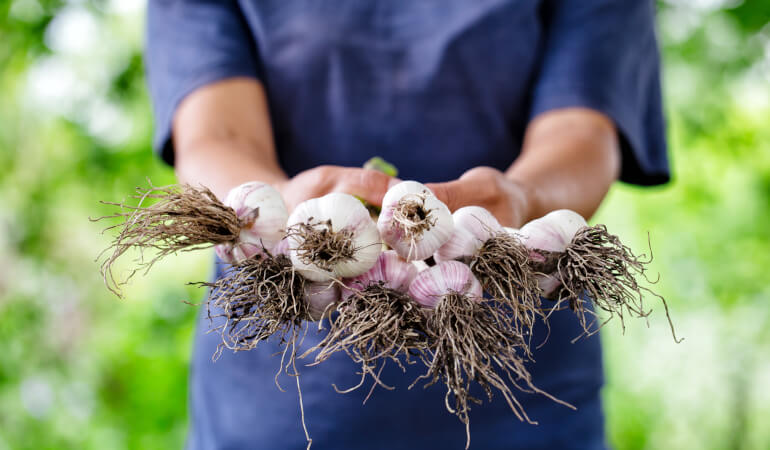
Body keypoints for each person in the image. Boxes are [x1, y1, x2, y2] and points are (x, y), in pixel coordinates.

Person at [146, 1, 669, 448]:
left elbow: (583, 130)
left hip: (526, 398)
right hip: (274, 406)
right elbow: (216, 135)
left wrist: (523, 197)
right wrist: (278, 204)